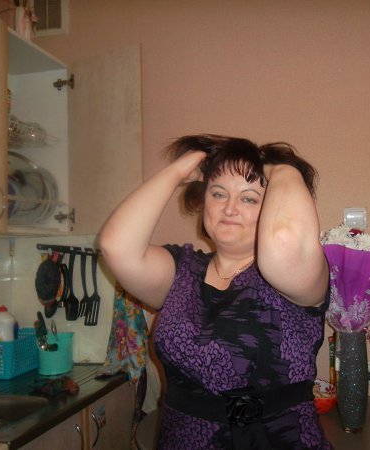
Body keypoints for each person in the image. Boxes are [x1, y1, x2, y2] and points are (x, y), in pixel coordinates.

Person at [100, 134, 332, 450]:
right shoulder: (181, 270)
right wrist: (181, 169)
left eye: (249, 198)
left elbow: (283, 240)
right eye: (218, 193)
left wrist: (281, 167)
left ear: (273, 208)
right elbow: (116, 246)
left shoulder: (297, 275)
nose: (229, 208)